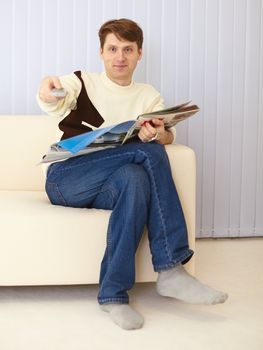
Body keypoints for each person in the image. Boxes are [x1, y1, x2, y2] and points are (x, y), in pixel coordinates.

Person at [37, 18, 228, 330]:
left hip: (109, 185)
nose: (120, 56)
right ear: (101, 52)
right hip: (67, 179)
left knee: (136, 178)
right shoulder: (81, 81)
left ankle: (112, 295)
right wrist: (48, 89)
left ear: (140, 54)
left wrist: (159, 134)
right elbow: (51, 98)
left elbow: (167, 137)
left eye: (128, 49)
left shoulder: (148, 96)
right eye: (112, 49)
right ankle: (171, 267)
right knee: (146, 152)